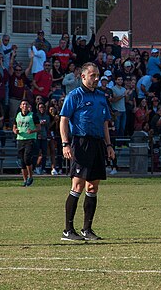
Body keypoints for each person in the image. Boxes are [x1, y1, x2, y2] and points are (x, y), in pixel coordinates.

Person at [59, 62, 115, 241]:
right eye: (93, 75)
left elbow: (105, 123)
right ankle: (68, 230)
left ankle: (87, 230)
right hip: (81, 143)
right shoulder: (74, 96)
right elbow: (64, 120)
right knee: (77, 186)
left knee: (93, 187)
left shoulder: (101, 96)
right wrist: (65, 144)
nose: (96, 78)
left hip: (98, 143)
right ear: (83, 77)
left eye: (97, 75)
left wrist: (108, 145)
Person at [14, 100, 40, 187]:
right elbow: (14, 126)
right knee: (22, 161)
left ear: (28, 106)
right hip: (20, 139)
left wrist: (32, 131)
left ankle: (30, 177)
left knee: (27, 158)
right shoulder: (18, 115)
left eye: (26, 104)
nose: (24, 105)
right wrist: (15, 131)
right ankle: (25, 180)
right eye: (23, 104)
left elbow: (39, 127)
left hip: (30, 139)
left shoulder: (32, 115)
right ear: (20, 106)